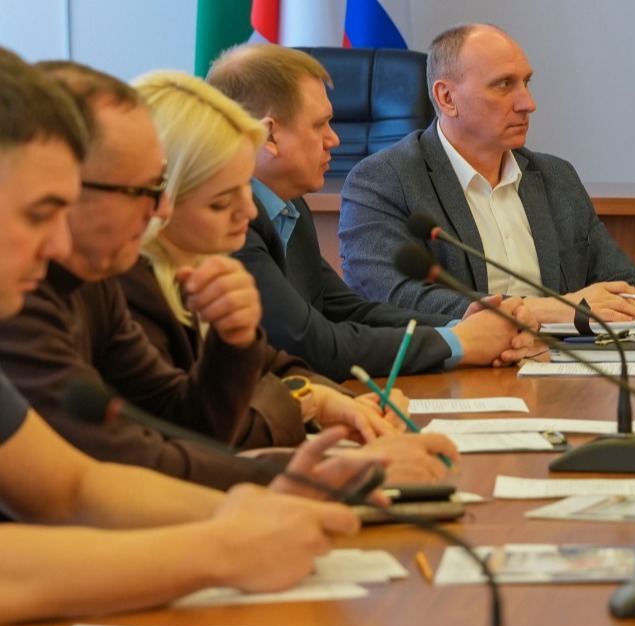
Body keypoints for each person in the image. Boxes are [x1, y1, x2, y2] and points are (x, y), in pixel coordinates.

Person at [0, 63, 361, 625]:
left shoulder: (86, 285)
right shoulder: (40, 301)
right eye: (40, 213)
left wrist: (278, 497)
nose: (56, 242)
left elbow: (74, 487)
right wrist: (225, 546)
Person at [129, 71, 455, 481]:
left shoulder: (197, 269)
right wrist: (307, 404)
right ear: (164, 201)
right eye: (222, 200)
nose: (250, 211)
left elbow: (275, 365)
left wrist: (340, 401)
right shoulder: (131, 290)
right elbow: (200, 435)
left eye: (245, 189)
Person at [0, 63, 275, 488]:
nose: (162, 210)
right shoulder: (19, 302)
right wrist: (287, 478)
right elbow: (97, 481)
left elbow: (181, 424)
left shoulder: (94, 280)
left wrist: (233, 343)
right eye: (143, 190)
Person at [205, 43, 534, 381]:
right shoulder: (226, 223)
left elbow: (347, 310)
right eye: (320, 125)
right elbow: (313, 345)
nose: (334, 139)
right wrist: (460, 343)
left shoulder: (289, 206)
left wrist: (463, 325)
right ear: (269, 136)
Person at [339, 24, 635, 325]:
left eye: (526, 82)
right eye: (504, 84)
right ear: (447, 98)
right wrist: (557, 309)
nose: (528, 103)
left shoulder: (555, 176)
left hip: (560, 362)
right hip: (458, 366)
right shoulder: (384, 181)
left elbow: (624, 277)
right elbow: (396, 297)